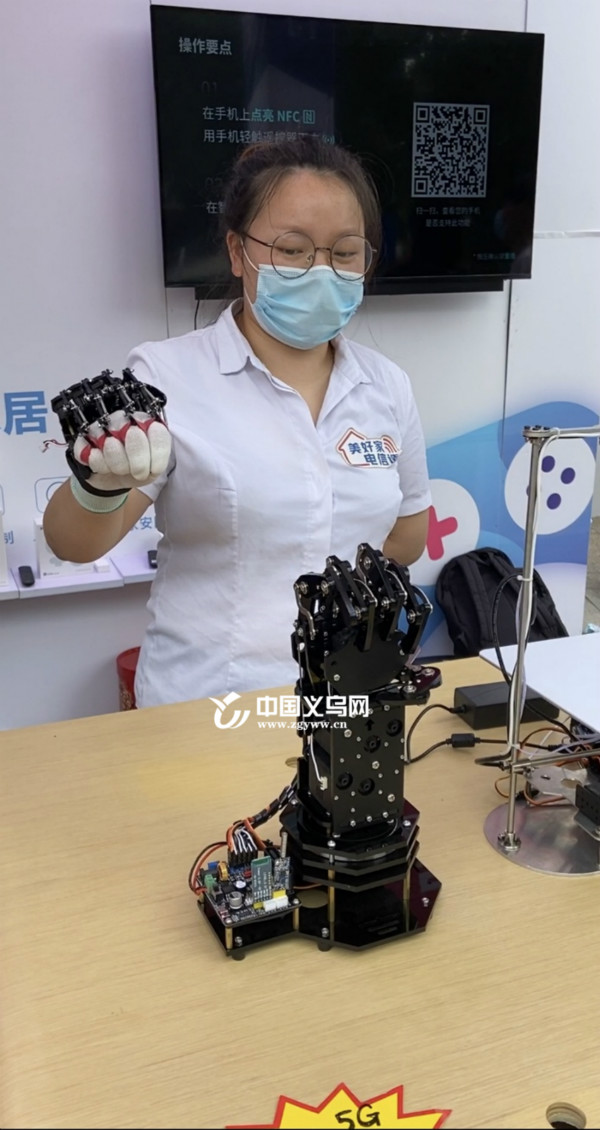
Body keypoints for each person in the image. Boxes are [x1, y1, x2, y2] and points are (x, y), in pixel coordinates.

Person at [43, 135, 431, 708]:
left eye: (345, 252)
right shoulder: (167, 377)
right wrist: (99, 485)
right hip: (210, 704)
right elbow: (73, 543)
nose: (321, 270)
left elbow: (407, 537)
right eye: (293, 249)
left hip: (350, 703)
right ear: (236, 251)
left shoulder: (387, 385)